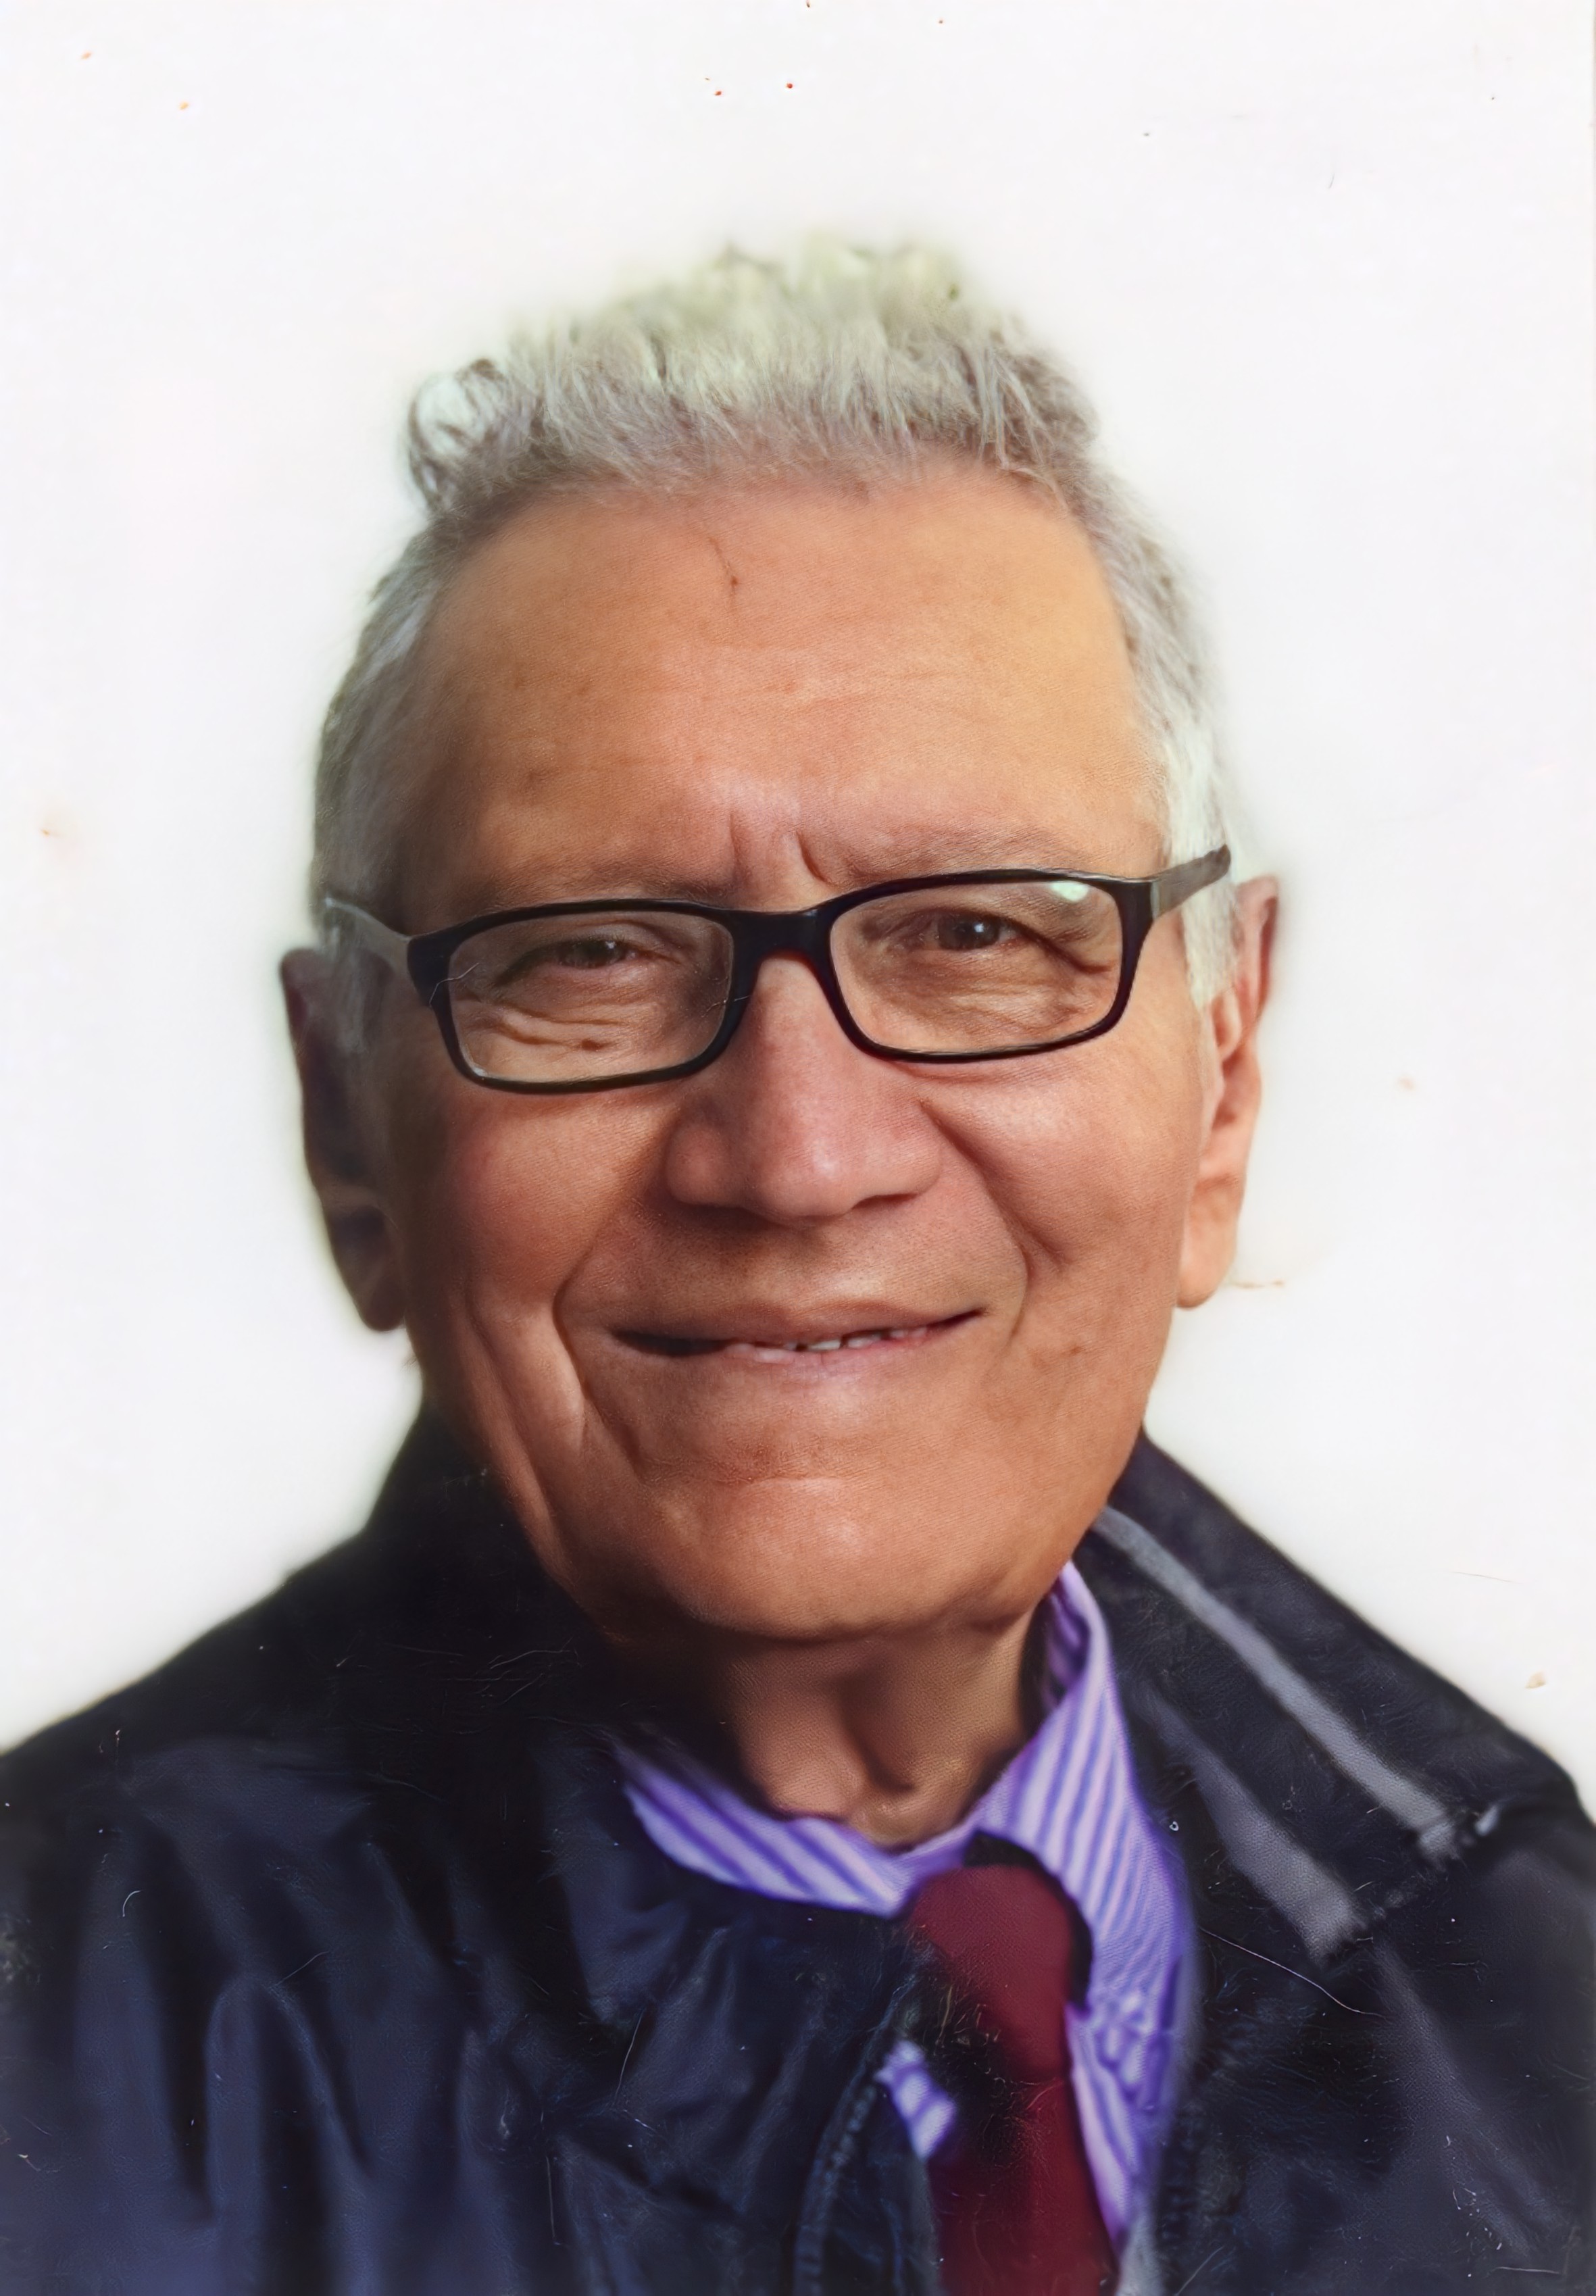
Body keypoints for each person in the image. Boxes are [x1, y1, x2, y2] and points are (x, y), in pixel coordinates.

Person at [0, 246, 1589, 2296]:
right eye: (591, 954)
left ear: (1224, 1073)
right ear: (346, 1122)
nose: (801, 1159)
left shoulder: (1547, 2014)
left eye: (977, 937)